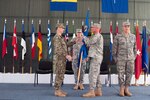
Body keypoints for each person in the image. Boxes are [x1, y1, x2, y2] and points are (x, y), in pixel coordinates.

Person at [112, 21, 137, 97]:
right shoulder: (118, 37)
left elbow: (135, 48)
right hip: (121, 59)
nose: (127, 28)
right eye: (125, 26)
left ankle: (126, 89)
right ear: (122, 27)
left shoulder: (133, 36)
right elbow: (114, 49)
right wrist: (116, 59)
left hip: (130, 59)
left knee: (130, 73)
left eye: (128, 26)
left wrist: (134, 57)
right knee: (120, 74)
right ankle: (121, 89)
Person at [82, 23, 103, 97]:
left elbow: (89, 42)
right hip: (95, 57)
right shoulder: (95, 36)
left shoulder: (97, 36)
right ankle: (98, 90)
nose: (91, 28)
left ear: (97, 28)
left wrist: (83, 36)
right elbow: (92, 47)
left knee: (92, 75)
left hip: (96, 58)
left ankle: (91, 91)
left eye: (92, 27)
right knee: (96, 75)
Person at [53, 23, 72, 97]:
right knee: (59, 74)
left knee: (61, 75)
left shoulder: (61, 38)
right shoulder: (56, 38)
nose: (63, 29)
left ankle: (59, 89)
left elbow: (65, 46)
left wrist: (74, 41)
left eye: (64, 28)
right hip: (59, 60)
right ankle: (57, 91)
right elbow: (59, 49)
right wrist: (67, 56)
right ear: (58, 28)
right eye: (62, 28)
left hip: (62, 60)